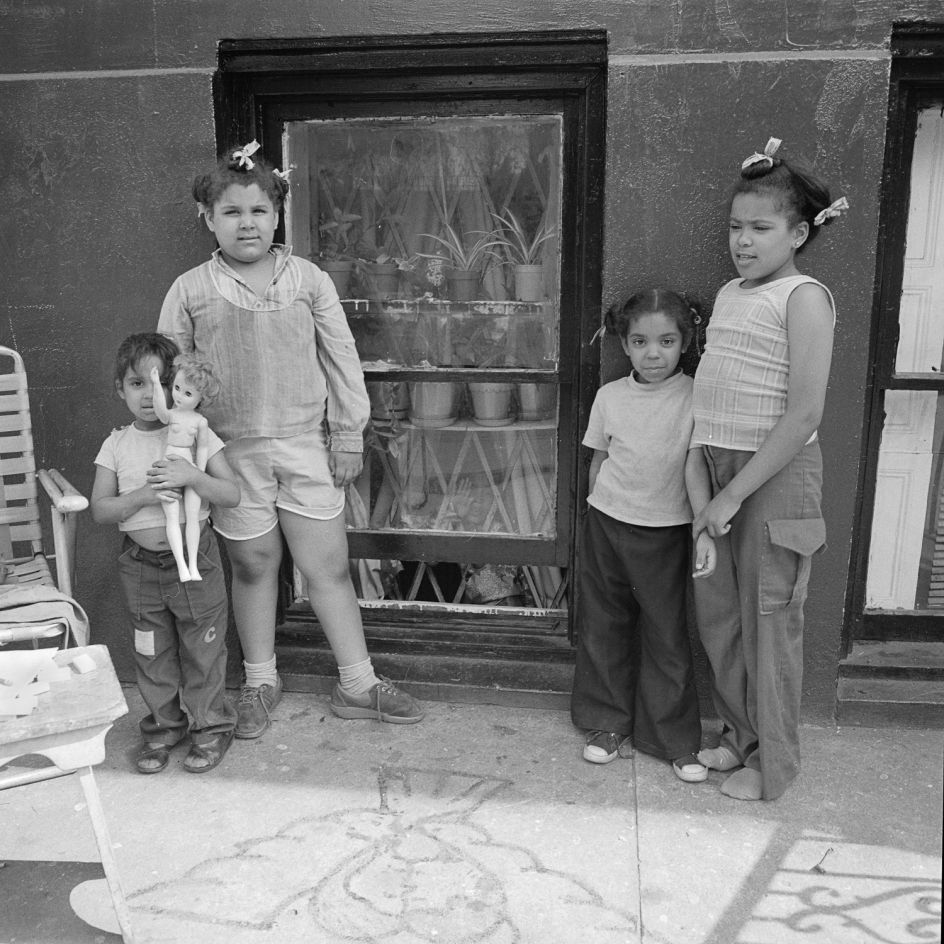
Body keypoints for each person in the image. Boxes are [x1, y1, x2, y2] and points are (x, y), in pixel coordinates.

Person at [157, 140, 424, 740]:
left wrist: (349, 432)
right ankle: (259, 680)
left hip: (307, 443)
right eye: (231, 212)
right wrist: (176, 451)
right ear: (208, 218)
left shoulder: (307, 280)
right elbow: (167, 376)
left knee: (326, 565)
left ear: (278, 216)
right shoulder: (190, 290)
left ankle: (357, 683)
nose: (246, 222)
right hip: (229, 455)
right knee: (253, 565)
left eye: (258, 210)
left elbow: (341, 358)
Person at [689, 137, 848, 801]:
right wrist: (702, 486)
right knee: (720, 619)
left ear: (798, 232)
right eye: (735, 227)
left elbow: (804, 414)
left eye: (760, 228)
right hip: (716, 471)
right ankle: (737, 737)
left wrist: (732, 497)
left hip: (774, 480)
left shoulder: (805, 297)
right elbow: (709, 399)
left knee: (769, 625)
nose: (743, 242)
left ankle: (772, 767)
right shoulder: (729, 292)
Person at [571, 289, 716, 784]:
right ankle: (607, 724)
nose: (653, 353)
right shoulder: (610, 396)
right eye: (640, 341)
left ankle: (673, 739)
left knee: (667, 634)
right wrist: (594, 514)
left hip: (667, 531)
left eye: (667, 341)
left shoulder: (697, 395)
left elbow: (698, 463)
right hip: (608, 525)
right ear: (625, 345)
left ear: (686, 341)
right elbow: (598, 460)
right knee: (604, 625)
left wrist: (701, 528)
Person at [91, 333, 241, 774]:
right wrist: (140, 496)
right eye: (136, 383)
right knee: (151, 651)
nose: (147, 394)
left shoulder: (197, 434)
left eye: (157, 382)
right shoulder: (116, 444)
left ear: (176, 384)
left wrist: (192, 474)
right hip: (141, 568)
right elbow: (101, 509)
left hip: (196, 562)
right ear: (121, 388)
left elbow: (230, 494)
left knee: (203, 649)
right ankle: (162, 728)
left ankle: (211, 727)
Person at [148, 355, 222, 583]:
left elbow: (202, 449)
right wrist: (156, 386)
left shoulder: (200, 421)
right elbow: (160, 410)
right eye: (177, 388)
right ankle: (182, 565)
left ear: (201, 399)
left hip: (189, 469)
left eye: (188, 394)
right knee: (171, 517)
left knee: (192, 516)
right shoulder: (172, 415)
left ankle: (192, 565)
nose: (178, 396)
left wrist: (198, 473)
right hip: (170, 466)